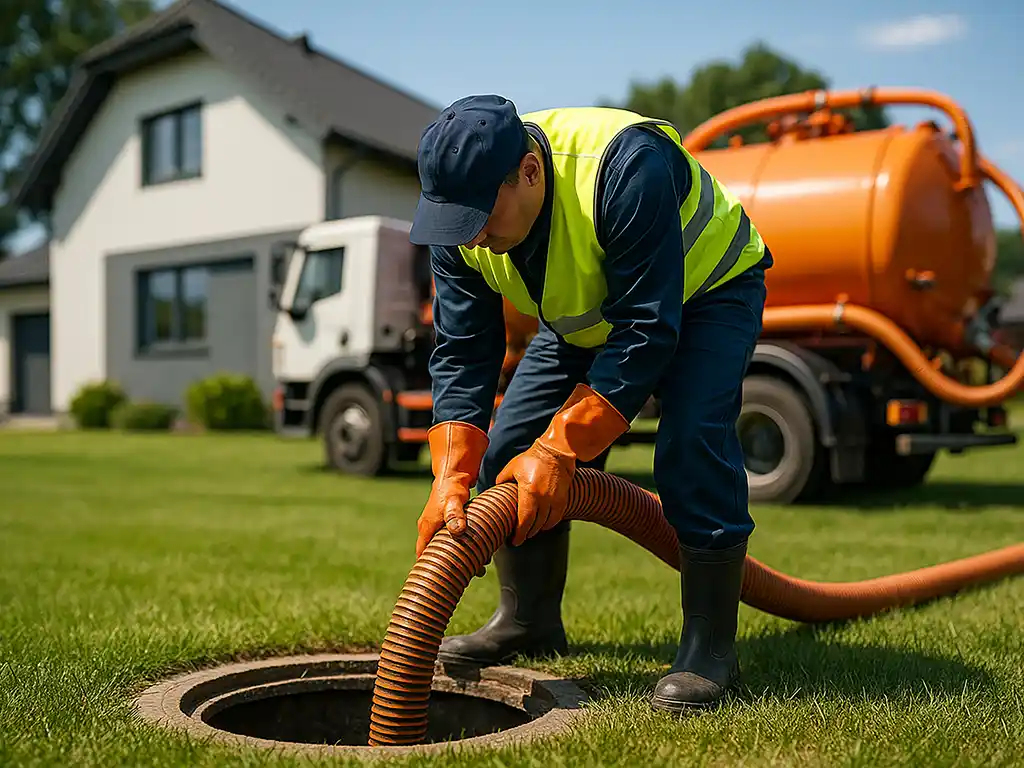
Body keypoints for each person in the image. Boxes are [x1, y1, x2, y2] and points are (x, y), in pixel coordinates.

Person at [409, 94, 772, 714]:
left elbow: (645, 331)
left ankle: (710, 649)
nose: (472, 236)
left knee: (691, 442)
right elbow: (464, 348)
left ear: (529, 170)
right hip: (589, 320)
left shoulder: (625, 165)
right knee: (511, 450)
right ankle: (529, 621)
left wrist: (562, 447)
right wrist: (451, 476)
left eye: (480, 216)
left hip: (706, 290)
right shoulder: (460, 217)